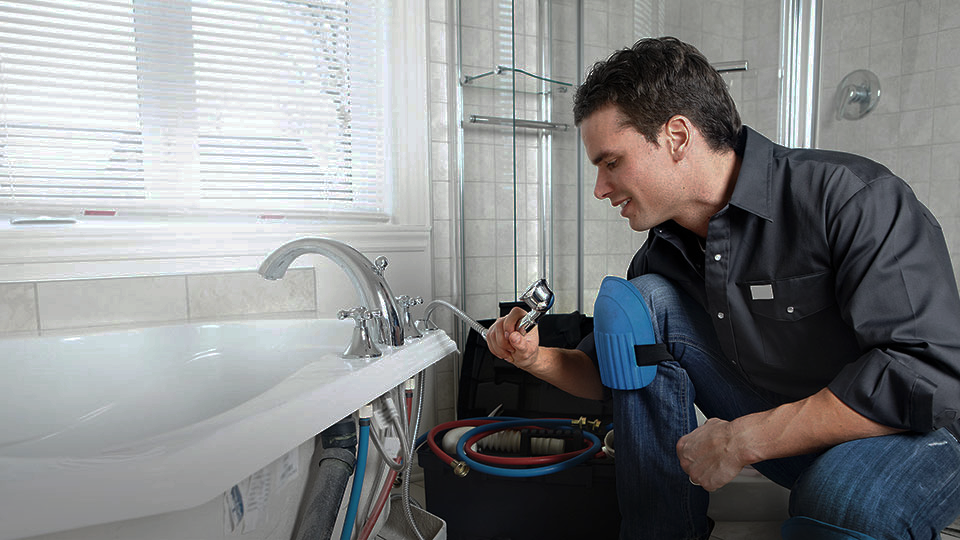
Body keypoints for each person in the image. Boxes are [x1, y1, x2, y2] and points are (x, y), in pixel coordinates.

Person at [485, 37, 960, 540]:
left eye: (612, 162)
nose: (601, 188)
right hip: (795, 438)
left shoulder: (849, 198)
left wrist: (742, 438)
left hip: (917, 434)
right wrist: (533, 357)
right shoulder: (662, 254)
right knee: (644, 303)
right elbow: (615, 375)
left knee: (839, 501)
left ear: (676, 137)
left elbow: (924, 374)